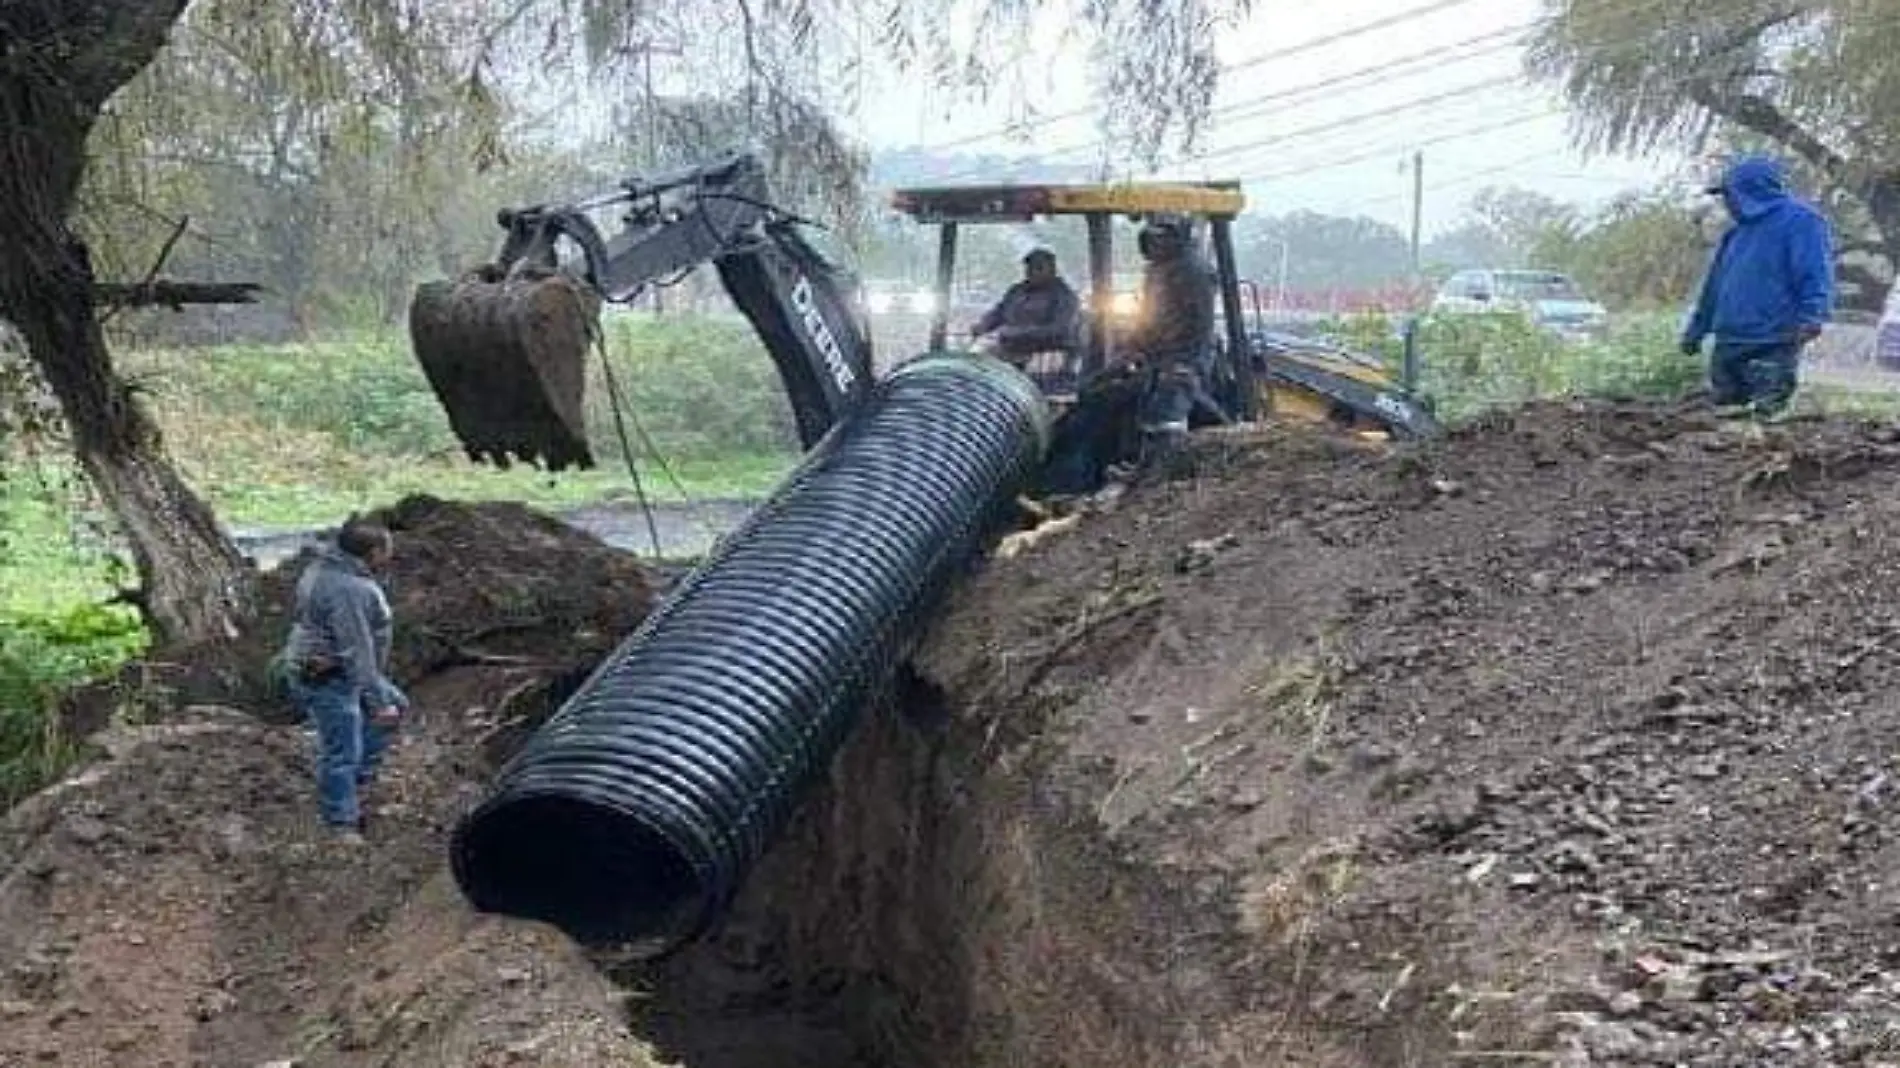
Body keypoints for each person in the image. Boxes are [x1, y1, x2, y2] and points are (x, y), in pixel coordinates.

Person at [276, 517, 408, 844]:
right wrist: (377, 702)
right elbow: (356, 652)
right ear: (373, 551)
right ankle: (341, 822)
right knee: (342, 748)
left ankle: (357, 781)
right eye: (387, 547)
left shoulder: (323, 568)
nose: (391, 553)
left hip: (328, 666)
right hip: (328, 676)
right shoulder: (351, 590)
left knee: (396, 706)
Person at [1681, 154, 1835, 420]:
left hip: (1773, 340)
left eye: (1729, 194)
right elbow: (1714, 287)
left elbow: (1814, 273)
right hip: (1728, 342)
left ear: (1748, 191)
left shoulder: (1801, 222)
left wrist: (1812, 316)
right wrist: (1697, 329)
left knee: (1764, 418)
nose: (1727, 202)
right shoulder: (1735, 234)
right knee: (1723, 417)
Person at [1124, 214, 1216, 471]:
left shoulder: (1193, 272)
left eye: (1162, 239)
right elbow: (1150, 315)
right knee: (1146, 412)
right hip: (1161, 355)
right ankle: (1144, 466)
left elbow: (1197, 323)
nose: (1156, 245)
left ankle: (1166, 473)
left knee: (1167, 414)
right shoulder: (1157, 271)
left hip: (1184, 356)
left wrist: (1180, 360)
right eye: (1152, 239)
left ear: (1177, 240)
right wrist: (1135, 345)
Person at [971, 248, 1082, 364]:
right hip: (1009, 348)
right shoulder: (1016, 291)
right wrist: (983, 325)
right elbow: (998, 312)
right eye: (1029, 268)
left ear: (1052, 270)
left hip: (1047, 355)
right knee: (977, 359)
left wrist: (1016, 333)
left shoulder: (1064, 296)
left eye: (1039, 268)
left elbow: (1060, 330)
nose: (1032, 272)